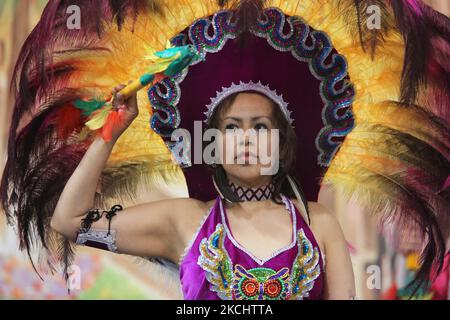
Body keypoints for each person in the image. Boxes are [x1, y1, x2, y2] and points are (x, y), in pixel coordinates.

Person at [1, 0, 448, 300]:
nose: (248, 139)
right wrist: (109, 134)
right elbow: (69, 221)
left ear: (282, 144)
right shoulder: (185, 221)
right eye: (232, 128)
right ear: (213, 144)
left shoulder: (321, 224)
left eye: (261, 127)